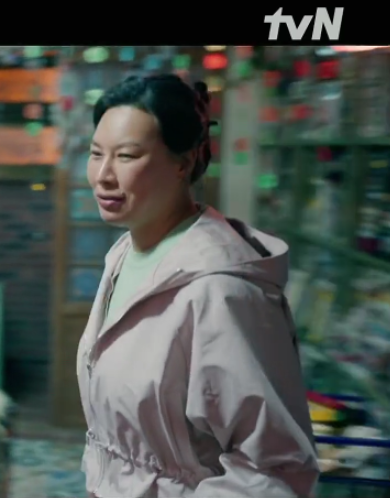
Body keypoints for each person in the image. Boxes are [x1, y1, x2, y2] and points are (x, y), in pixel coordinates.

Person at [77, 74, 319, 497]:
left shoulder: (223, 291)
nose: (103, 175)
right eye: (96, 154)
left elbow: (273, 471)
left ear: (183, 162)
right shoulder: (124, 254)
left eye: (127, 156)